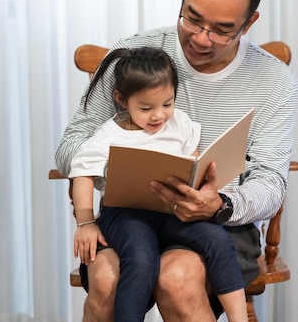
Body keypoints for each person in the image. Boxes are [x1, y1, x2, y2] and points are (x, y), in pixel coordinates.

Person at [55, 0, 298, 321]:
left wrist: (220, 205)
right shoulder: (132, 54)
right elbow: (72, 144)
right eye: (192, 18)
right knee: (105, 277)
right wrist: (121, 163)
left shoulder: (274, 81)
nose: (201, 39)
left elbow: (270, 181)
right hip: (131, 217)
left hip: (219, 223)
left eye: (222, 30)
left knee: (177, 277)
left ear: (249, 23)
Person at [68, 46, 248, 322]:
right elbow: (81, 173)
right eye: (146, 108)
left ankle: (239, 318)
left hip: (175, 211)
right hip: (127, 215)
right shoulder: (107, 136)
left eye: (167, 103)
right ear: (121, 100)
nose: (158, 116)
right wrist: (85, 222)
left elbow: (194, 160)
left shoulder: (179, 123)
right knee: (141, 261)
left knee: (218, 240)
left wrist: (199, 179)